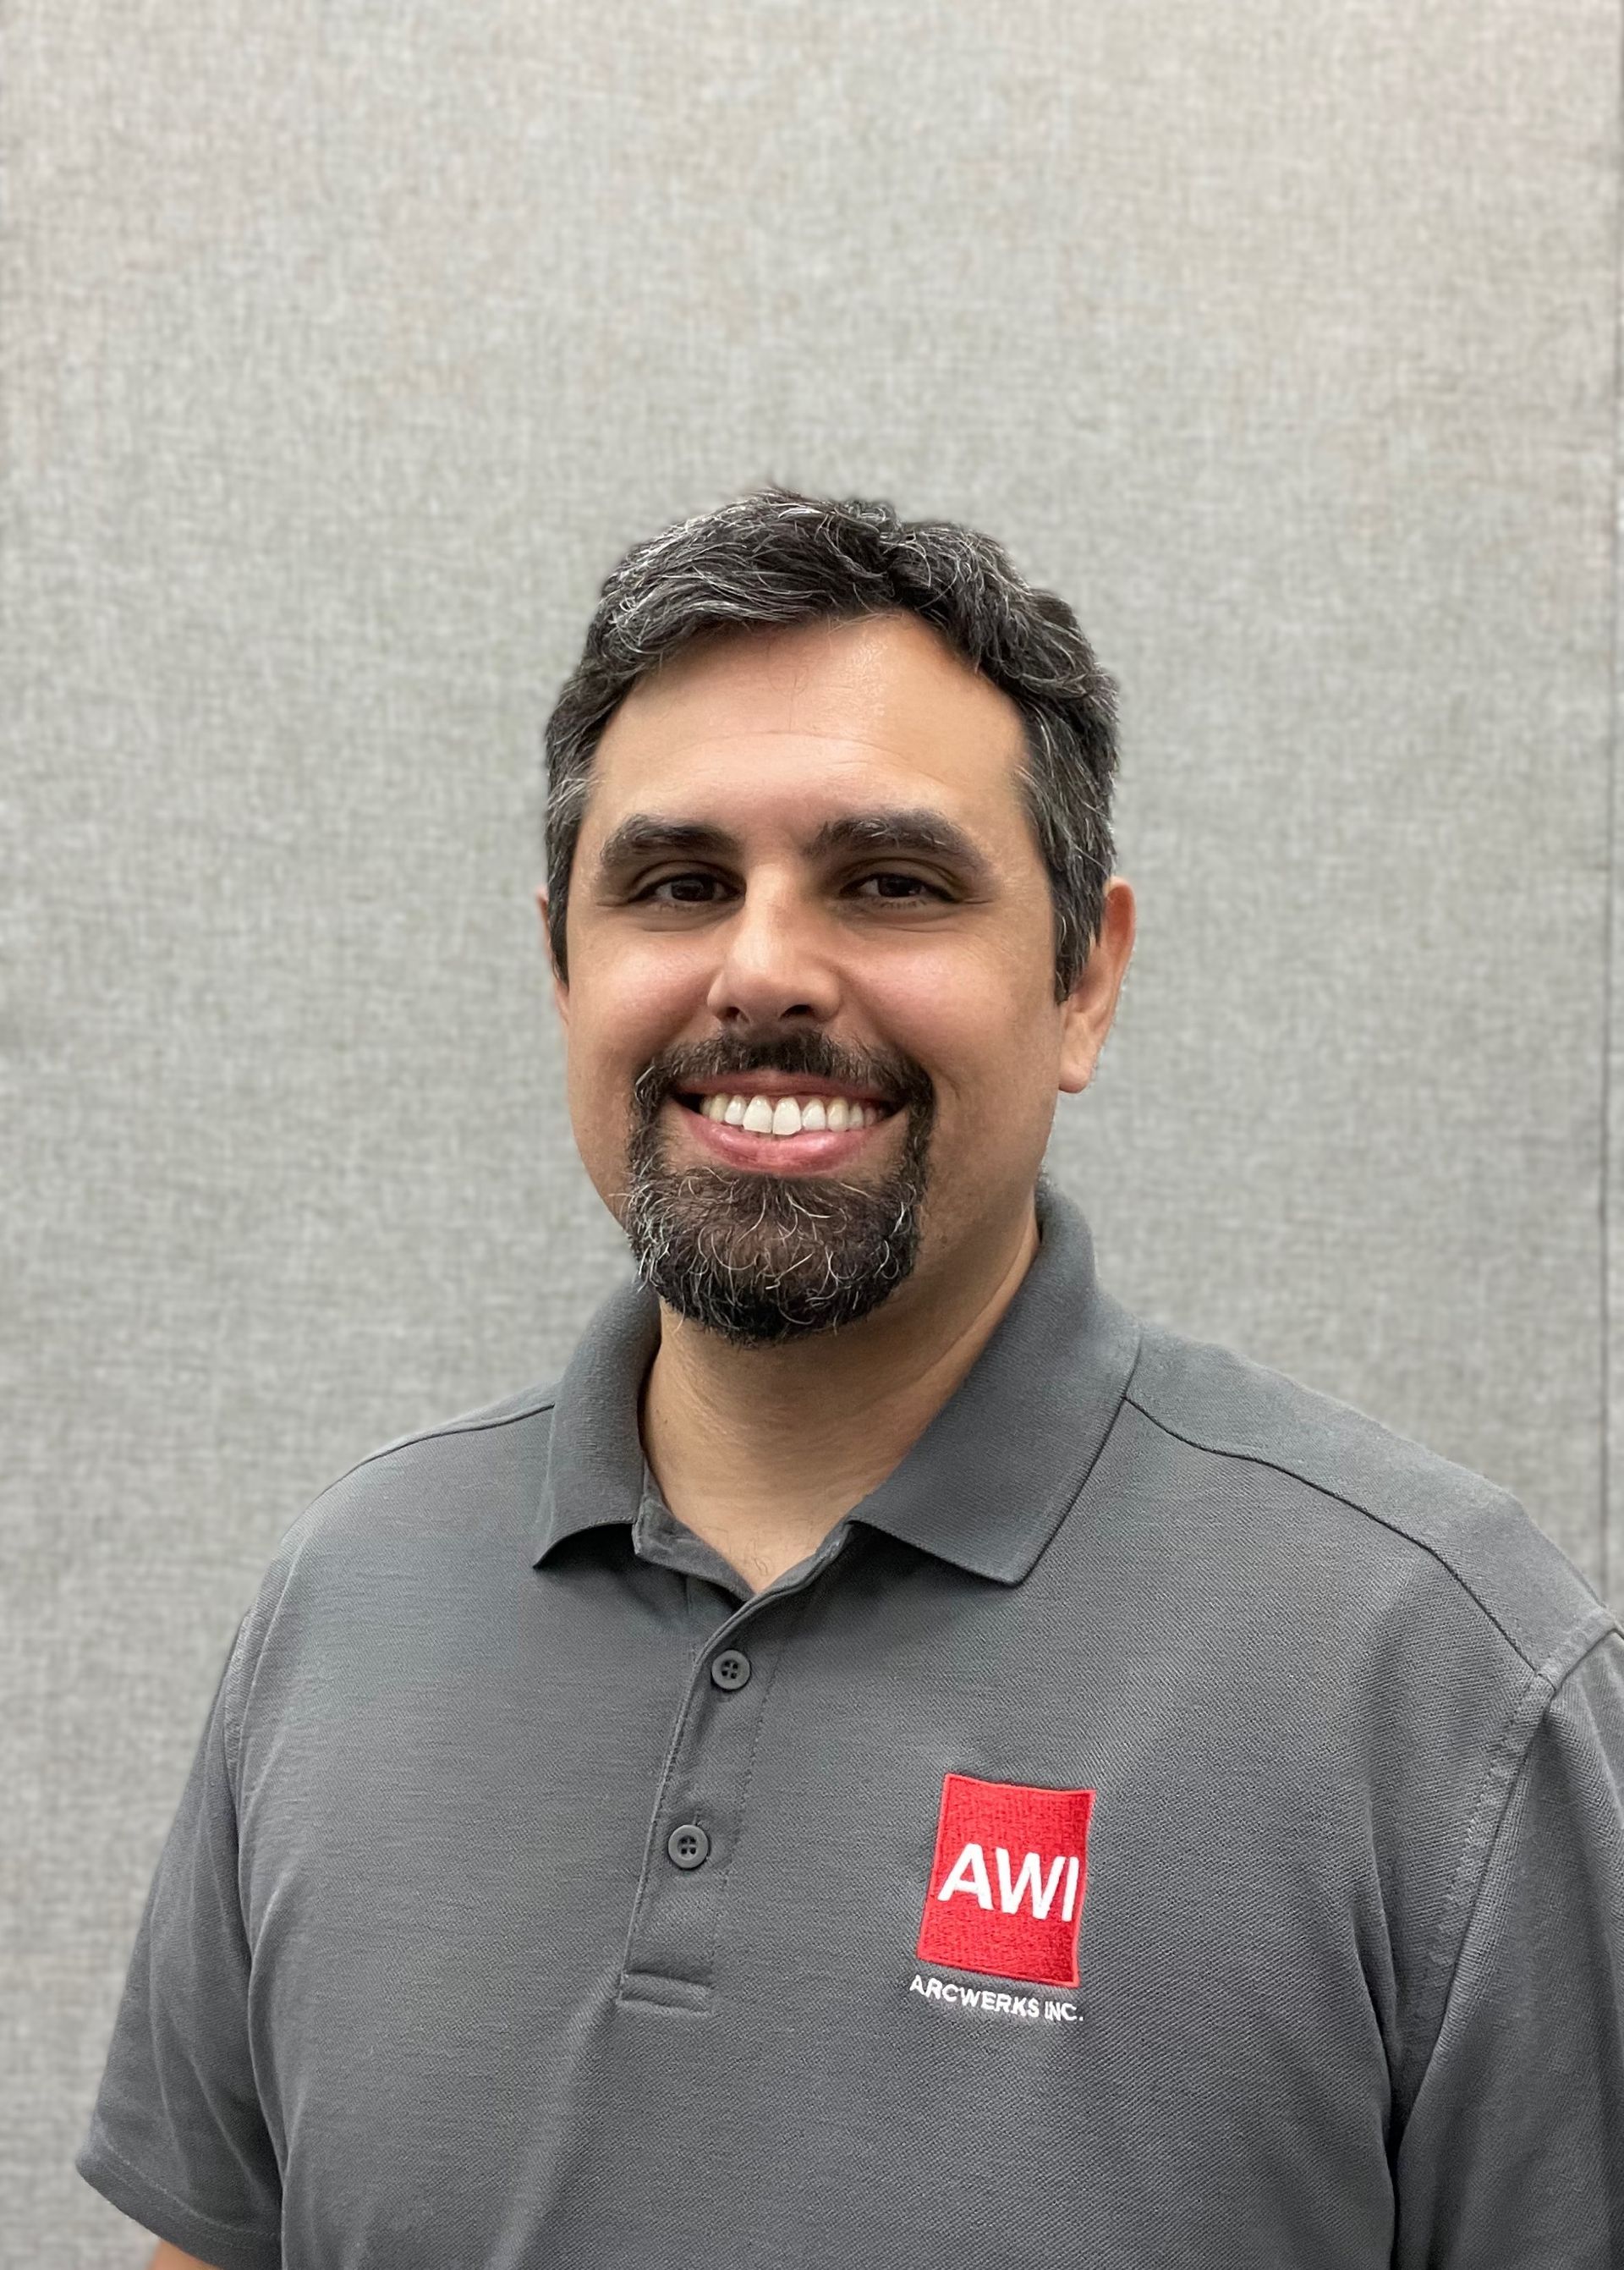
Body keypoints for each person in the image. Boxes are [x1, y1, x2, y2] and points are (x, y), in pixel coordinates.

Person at [78, 487, 1623, 2270]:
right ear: (562, 964)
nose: (764, 970)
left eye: (889, 882)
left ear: (1083, 981)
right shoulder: (348, 1598)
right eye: (676, 885)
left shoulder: (1444, 1686)